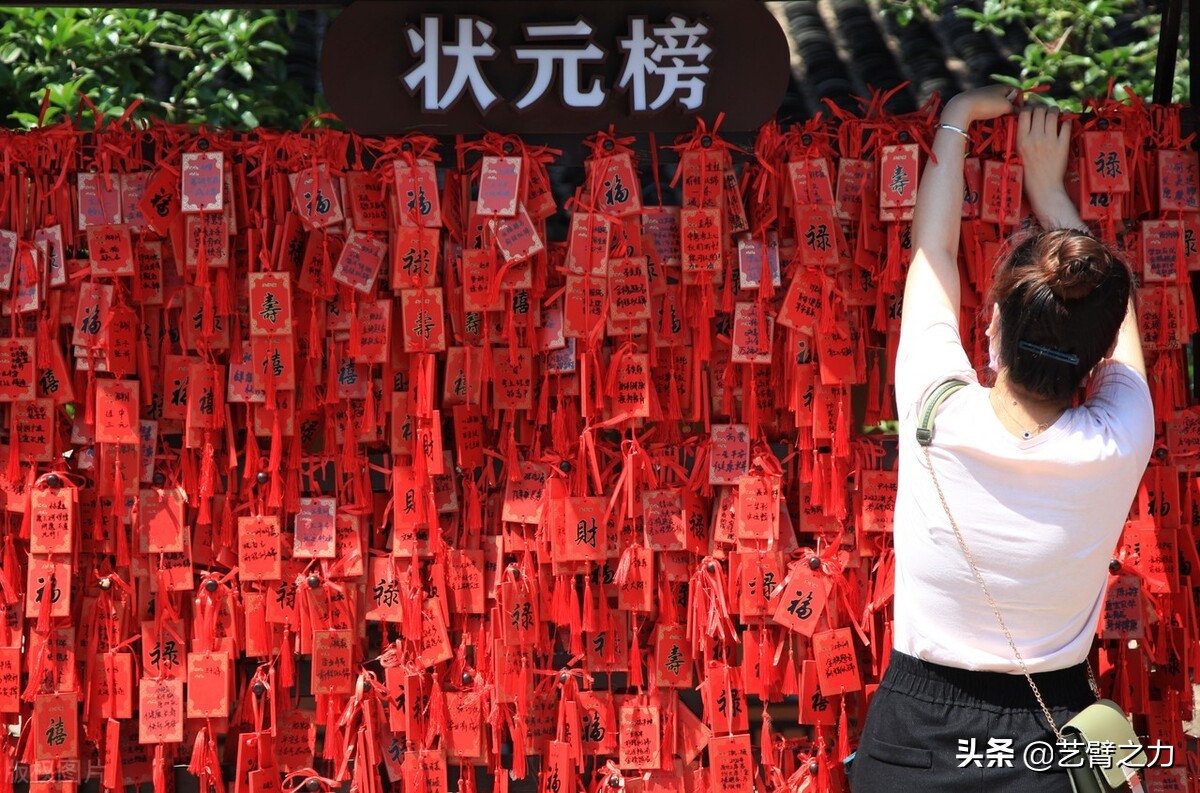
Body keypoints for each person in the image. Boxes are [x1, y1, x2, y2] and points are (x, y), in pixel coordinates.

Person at [848, 86, 1154, 791]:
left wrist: (958, 114)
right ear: (1096, 355)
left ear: (990, 330)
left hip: (915, 741)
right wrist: (1051, 191)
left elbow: (933, 249)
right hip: (1055, 730)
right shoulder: (1119, 437)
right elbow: (1114, 313)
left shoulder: (937, 409)